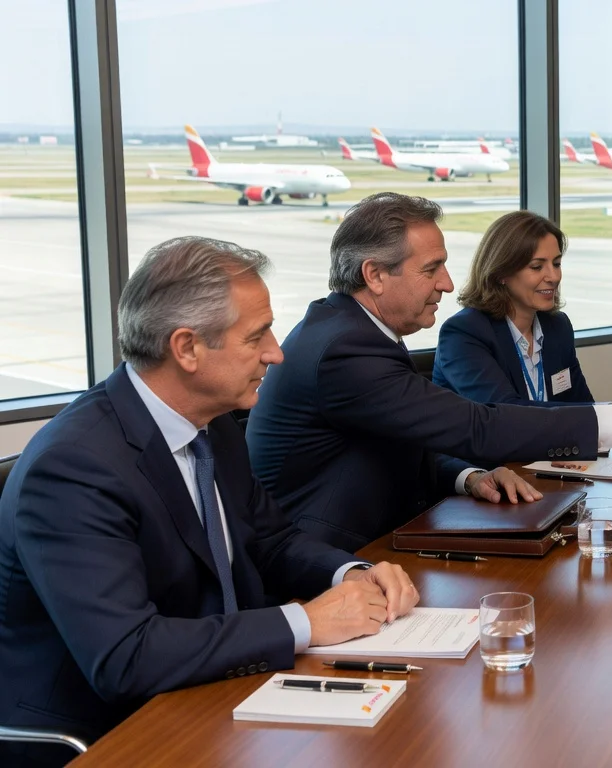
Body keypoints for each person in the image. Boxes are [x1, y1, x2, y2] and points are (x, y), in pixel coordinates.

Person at [0, 237, 420, 766]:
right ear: (187, 348)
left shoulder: (212, 425)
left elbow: (269, 539)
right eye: (256, 335)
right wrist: (305, 622)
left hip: (211, 691)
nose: (277, 351)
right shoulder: (74, 468)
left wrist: (350, 574)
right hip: (104, 735)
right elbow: (126, 657)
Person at [246, 193, 612, 552]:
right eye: (432, 269)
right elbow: (481, 425)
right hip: (328, 560)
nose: (448, 283)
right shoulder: (344, 350)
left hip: (382, 540)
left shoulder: (354, 334)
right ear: (374, 275)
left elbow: (404, 445)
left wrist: (469, 477)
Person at [433, 211, 594, 406]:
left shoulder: (558, 326)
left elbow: (584, 407)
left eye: (557, 263)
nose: (554, 277)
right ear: (501, 273)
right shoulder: (464, 333)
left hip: (553, 438)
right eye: (537, 267)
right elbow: (507, 418)